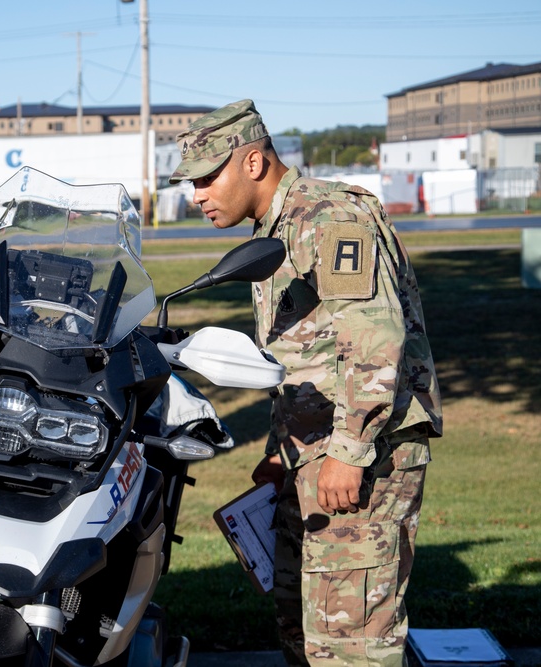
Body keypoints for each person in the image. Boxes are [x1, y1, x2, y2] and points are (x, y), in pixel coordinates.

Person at [169, 99, 442, 666]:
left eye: (205, 177)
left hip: (364, 459)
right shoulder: (277, 228)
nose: (196, 194)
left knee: (351, 648)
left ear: (252, 163)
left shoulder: (327, 218)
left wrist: (350, 449)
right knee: (304, 634)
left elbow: (374, 338)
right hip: (310, 456)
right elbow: (308, 358)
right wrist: (280, 450)